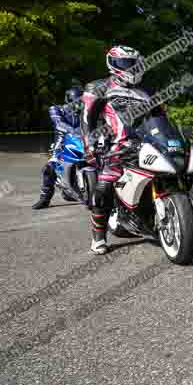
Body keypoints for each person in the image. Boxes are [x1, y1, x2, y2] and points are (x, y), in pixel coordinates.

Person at [81, 45, 148, 255]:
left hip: (147, 145)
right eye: (126, 63)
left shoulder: (146, 92)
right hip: (116, 148)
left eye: (134, 63)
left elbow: (161, 118)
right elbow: (87, 119)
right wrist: (90, 144)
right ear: (112, 64)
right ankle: (98, 238)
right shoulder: (98, 87)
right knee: (103, 190)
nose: (132, 68)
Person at [32, 86, 84, 209]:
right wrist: (74, 131)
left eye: (81, 101)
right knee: (49, 168)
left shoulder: (87, 111)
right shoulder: (56, 109)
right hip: (63, 143)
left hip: (85, 141)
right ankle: (45, 199)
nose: (78, 105)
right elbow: (59, 123)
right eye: (76, 102)